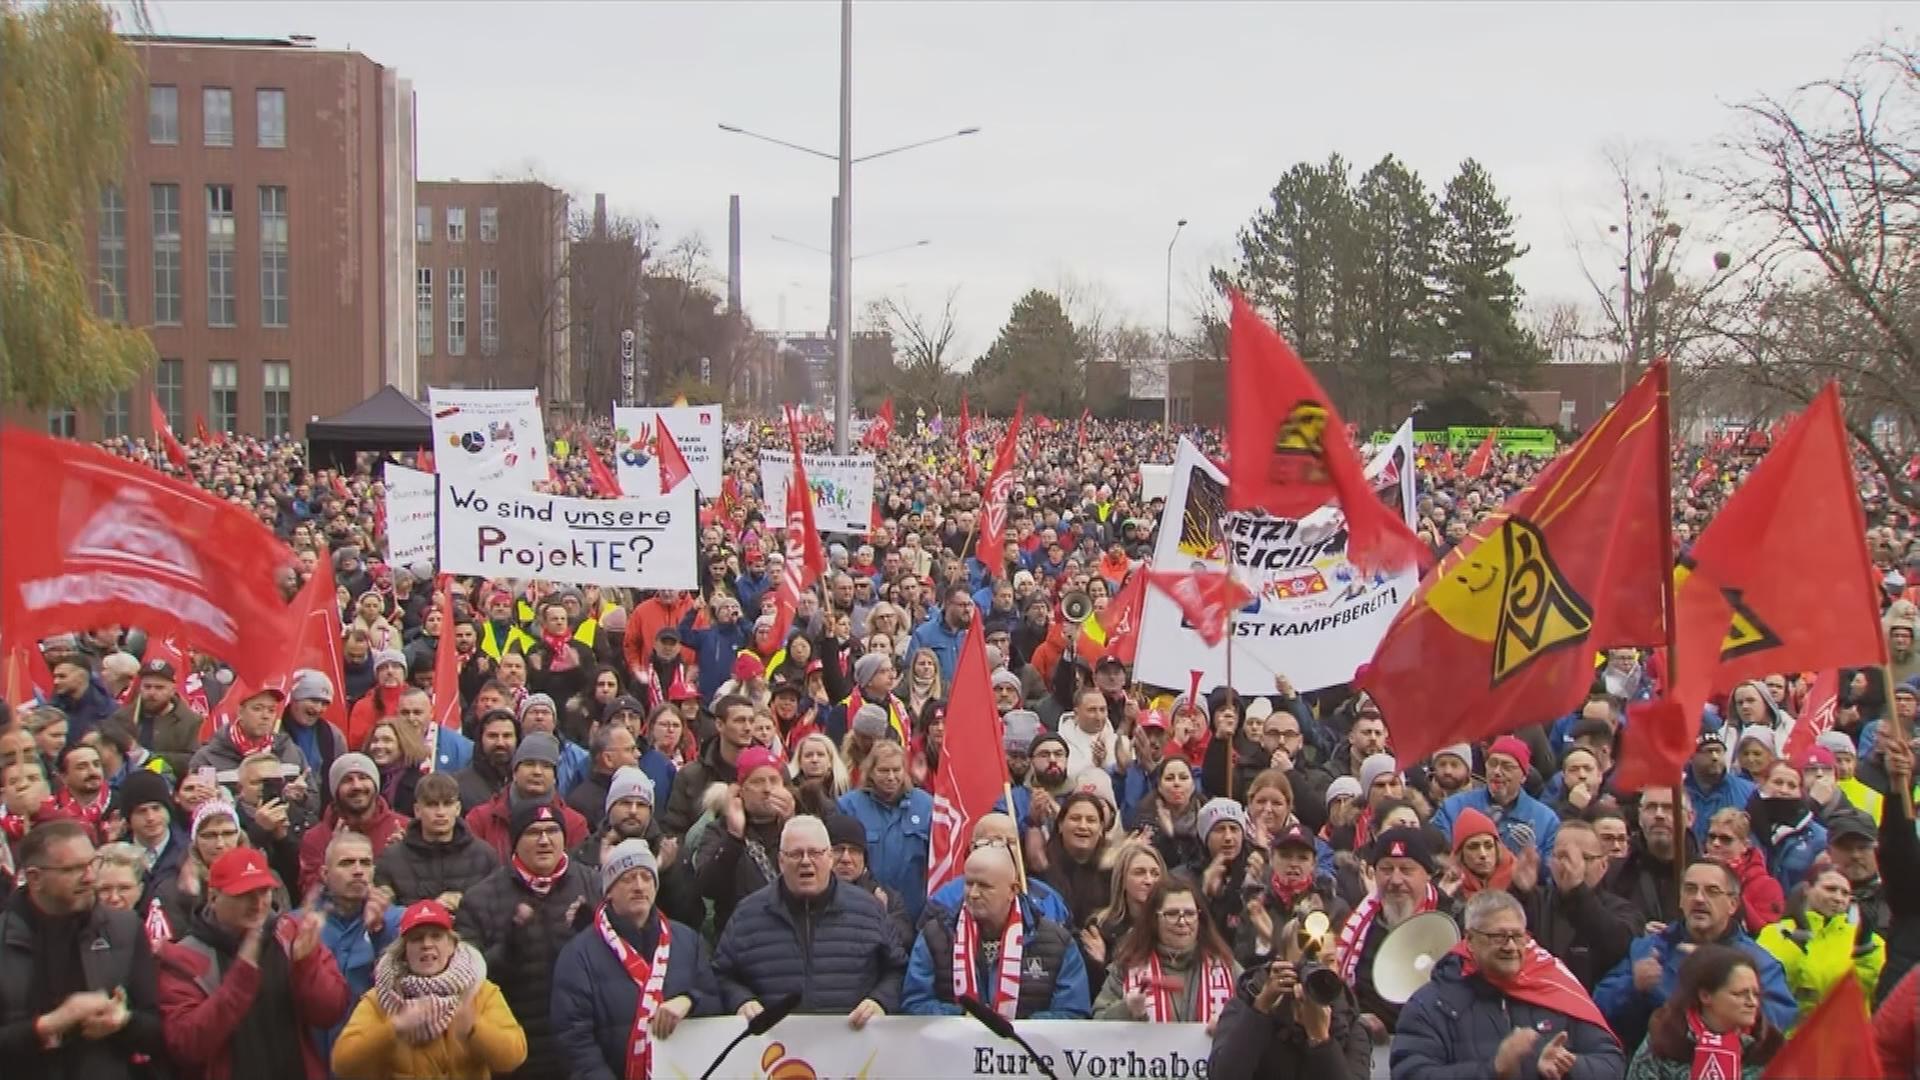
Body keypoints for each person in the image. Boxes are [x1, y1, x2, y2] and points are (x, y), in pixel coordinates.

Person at [156, 846, 350, 1080]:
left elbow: (330, 1012)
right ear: (214, 896)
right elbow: (187, 1045)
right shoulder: (184, 958)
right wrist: (242, 977)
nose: (257, 904)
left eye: (263, 892)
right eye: (243, 895)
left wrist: (306, 965)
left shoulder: (291, 935)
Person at [1392, 889, 1624, 1079]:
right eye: (1498, 937)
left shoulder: (1555, 985)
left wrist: (1570, 1066)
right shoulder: (1431, 1003)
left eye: (1517, 936)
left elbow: (1611, 1063)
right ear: (1470, 940)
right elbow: (1410, 1073)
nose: (1511, 947)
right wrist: (1492, 1071)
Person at [0, 819, 167, 1080]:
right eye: (73, 869)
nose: (90, 878)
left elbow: (156, 1032)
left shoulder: (124, 929)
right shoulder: (6, 938)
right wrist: (46, 1027)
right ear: (35, 878)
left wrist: (123, 1021)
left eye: (91, 864)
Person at [551, 839, 722, 1080]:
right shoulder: (579, 953)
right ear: (609, 890)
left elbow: (715, 1004)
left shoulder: (687, 941)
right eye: (628, 878)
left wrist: (690, 1000)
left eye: (646, 877)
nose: (639, 886)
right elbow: (573, 1039)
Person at [453, 802, 600, 1080]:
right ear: (515, 841)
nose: (544, 840)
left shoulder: (592, 884)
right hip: (518, 1052)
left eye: (552, 831)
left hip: (580, 1049)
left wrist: (591, 930)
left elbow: (618, 960)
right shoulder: (480, 899)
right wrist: (512, 945)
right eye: (534, 832)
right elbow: (468, 979)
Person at [711, 815, 906, 1023]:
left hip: (852, 1044)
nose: (806, 861)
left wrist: (880, 1001)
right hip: (773, 1048)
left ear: (830, 857)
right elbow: (720, 975)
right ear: (781, 861)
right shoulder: (748, 914)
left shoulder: (868, 910)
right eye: (795, 854)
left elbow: (898, 970)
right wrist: (741, 1000)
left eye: (815, 853)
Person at [1594, 860, 1797, 1052]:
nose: (1699, 898)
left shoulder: (1760, 963)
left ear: (1733, 904)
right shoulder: (1648, 950)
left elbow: (1776, 1022)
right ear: (1681, 899)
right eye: (1690, 889)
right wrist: (1633, 987)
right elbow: (1600, 1007)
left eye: (1712, 891)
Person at [330, 899, 527, 1080]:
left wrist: (474, 1029)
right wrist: (394, 1028)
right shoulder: (380, 998)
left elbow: (513, 1056)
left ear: (451, 945)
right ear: (404, 950)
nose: (427, 945)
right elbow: (343, 1064)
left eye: (436, 936)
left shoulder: (478, 991)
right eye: (417, 938)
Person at [901, 842, 1092, 1018]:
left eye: (985, 886)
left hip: (1024, 1053)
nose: (974, 894)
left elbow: (1073, 1012)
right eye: (969, 884)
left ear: (1013, 890)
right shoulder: (935, 936)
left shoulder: (1057, 942)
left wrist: (1017, 1027)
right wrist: (962, 1017)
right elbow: (914, 1003)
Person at [1207, 902, 1373, 1080]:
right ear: (1282, 962)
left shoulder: (1349, 1017)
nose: (1320, 972)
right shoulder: (1245, 1003)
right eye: (1307, 962)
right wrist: (1260, 1010)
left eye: (1329, 961)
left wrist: (1321, 1040)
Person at [1333, 826, 1454, 1038]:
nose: (1396, 881)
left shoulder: (1453, 918)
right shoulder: (1359, 926)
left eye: (1406, 870)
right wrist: (1356, 1018)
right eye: (1386, 870)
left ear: (1427, 874)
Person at [1093, 877, 1239, 1029]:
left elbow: (1253, 1019)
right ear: (1154, 920)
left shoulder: (1227, 967)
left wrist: (1231, 1024)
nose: (1182, 922)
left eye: (1189, 913)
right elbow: (1097, 1024)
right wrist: (1126, 1010)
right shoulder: (1126, 966)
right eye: (1172, 914)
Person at [1624, 944, 1785, 1079]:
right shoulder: (1664, 1040)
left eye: (1755, 994)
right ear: (1705, 996)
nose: (1752, 1002)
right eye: (1739, 994)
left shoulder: (1770, 1049)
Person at [1515, 819, 1640, 991]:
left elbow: (1618, 946)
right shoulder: (1535, 900)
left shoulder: (1623, 910)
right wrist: (1518, 892)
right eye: (1562, 857)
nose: (1572, 865)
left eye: (1585, 858)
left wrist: (1577, 891)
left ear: (1603, 865)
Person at [310, 832, 401, 1066]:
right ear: (324, 874)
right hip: (316, 1056)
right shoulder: (300, 925)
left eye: (366, 862)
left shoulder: (397, 921)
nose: (358, 870)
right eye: (347, 863)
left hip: (378, 1057)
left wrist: (379, 933)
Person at [1755, 866, 1886, 1008]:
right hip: (1792, 1028)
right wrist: (1796, 944)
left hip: (1841, 1026)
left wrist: (1864, 948)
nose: (1838, 898)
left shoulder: (1869, 941)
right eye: (1830, 889)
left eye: (1845, 893)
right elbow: (1768, 983)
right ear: (1807, 889)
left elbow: (1872, 989)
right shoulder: (1776, 932)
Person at [836, 741, 934, 924]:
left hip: (916, 914)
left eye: (896, 770)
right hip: (864, 911)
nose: (891, 777)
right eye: (883, 770)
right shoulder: (848, 806)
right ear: (871, 771)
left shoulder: (926, 806)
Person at [372, 771, 498, 909]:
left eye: (447, 804)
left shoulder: (485, 856)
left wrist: (465, 903)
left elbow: (497, 909)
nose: (440, 812)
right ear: (417, 810)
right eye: (432, 805)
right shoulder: (392, 859)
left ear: (457, 808)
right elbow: (384, 915)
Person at [463, 733, 588, 863]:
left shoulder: (574, 824)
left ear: (555, 777)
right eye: (529, 764)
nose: (537, 772)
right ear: (515, 772)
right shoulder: (480, 819)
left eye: (546, 765)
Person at [1430, 735, 1558, 860]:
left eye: (1507, 766)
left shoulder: (1546, 819)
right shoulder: (1454, 807)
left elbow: (1553, 870)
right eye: (1492, 763)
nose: (1496, 771)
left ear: (1524, 776)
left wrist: (1533, 857)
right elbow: (1436, 852)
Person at [297, 753, 410, 895]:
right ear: (335, 790)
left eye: (363, 778)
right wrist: (333, 855)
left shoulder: (403, 827)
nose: (357, 786)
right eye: (347, 780)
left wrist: (402, 857)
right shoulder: (315, 838)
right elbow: (310, 896)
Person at [659, 693, 754, 838]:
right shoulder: (690, 775)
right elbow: (674, 832)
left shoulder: (771, 772)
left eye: (751, 721)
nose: (748, 728)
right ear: (719, 725)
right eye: (740, 721)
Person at [825, 812, 912, 946]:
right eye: (838, 850)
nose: (846, 859)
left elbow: (904, 941)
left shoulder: (888, 899)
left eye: (854, 851)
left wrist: (881, 916)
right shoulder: (813, 895)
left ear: (864, 859)